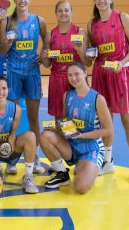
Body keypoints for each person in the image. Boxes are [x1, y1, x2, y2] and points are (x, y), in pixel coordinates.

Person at [87, 0, 129, 183]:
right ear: (94, 2)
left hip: (121, 74)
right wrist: (87, 52)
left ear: (111, 0)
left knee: (127, 121)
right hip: (101, 74)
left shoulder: (122, 17)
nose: (102, 1)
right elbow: (93, 51)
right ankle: (108, 162)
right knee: (106, 122)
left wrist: (122, 61)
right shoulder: (92, 24)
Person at [40, 62, 112, 194]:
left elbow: (108, 130)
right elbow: (66, 123)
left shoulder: (98, 98)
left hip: (91, 148)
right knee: (44, 136)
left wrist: (82, 135)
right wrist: (56, 128)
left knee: (80, 188)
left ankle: (87, 167)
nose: (73, 78)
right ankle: (63, 174)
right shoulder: (67, 96)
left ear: (85, 73)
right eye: (70, 75)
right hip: (72, 145)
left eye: (77, 74)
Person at [0, 0, 47, 174]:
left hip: (32, 72)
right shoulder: (7, 21)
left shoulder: (39, 21)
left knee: (34, 118)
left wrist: (43, 55)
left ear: (29, 0)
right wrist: (7, 43)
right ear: (14, 1)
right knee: (12, 118)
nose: (22, 1)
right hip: (13, 72)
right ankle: (11, 158)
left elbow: (47, 42)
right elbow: (1, 51)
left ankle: (35, 158)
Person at [41, 0, 91, 121]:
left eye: (66, 10)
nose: (63, 13)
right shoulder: (50, 35)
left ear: (71, 12)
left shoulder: (81, 33)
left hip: (76, 79)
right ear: (56, 13)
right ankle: (62, 140)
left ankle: (80, 140)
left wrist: (79, 51)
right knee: (60, 120)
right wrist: (44, 56)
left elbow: (88, 63)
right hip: (57, 80)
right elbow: (47, 65)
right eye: (60, 11)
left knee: (79, 117)